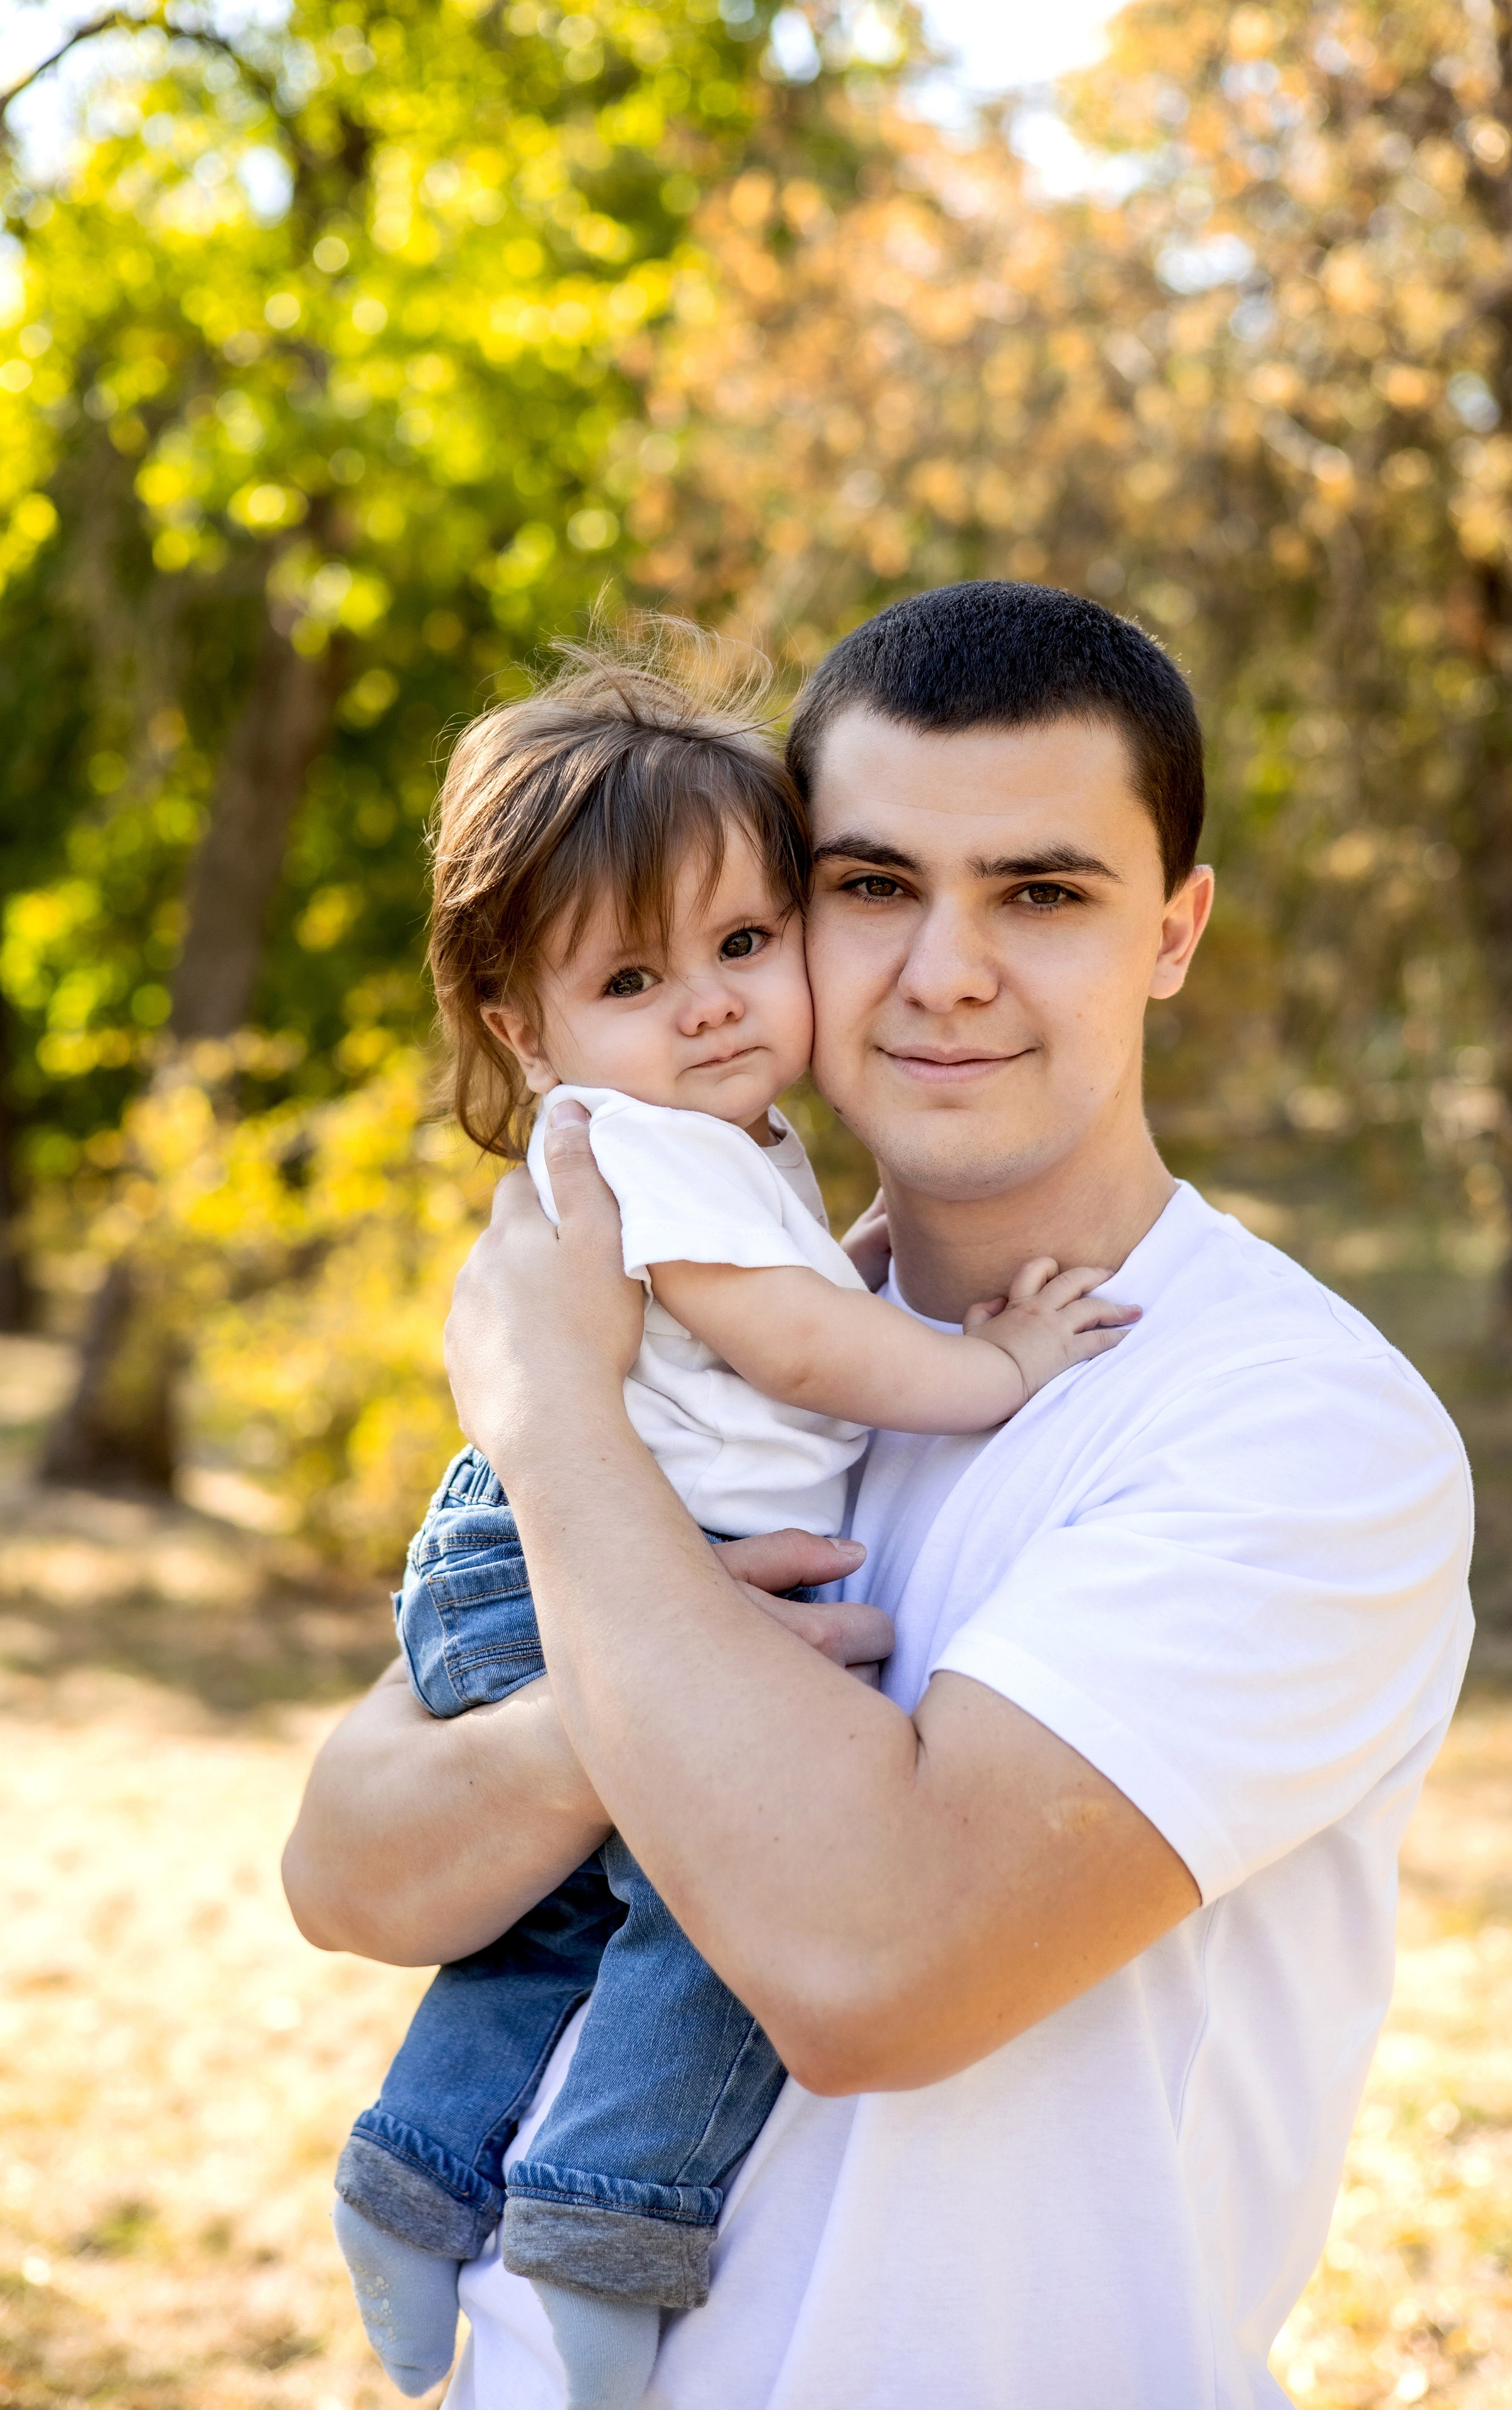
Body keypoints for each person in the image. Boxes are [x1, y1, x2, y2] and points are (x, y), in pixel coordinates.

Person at [285, 581, 1474, 2410]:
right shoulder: (724, 1355)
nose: (945, 970)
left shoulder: (1292, 1426)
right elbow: (352, 1870)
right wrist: (603, 1717)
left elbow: (870, 1973)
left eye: (1045, 893)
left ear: (1175, 930)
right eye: (871, 886)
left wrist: (551, 1424)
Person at [330, 639, 1136, 2409]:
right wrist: (992, 1363)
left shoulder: (702, 1135)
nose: (705, 1004)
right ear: (519, 1027)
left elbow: (758, 1306)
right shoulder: (654, 1143)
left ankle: (413, 2172)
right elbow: (792, 1339)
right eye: (632, 974)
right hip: (610, 1566)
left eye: (744, 945)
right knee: (705, 1904)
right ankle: (604, 2227)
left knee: (545, 1926)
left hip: (520, 1560)